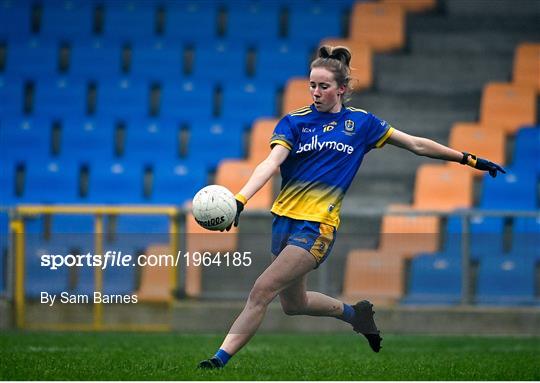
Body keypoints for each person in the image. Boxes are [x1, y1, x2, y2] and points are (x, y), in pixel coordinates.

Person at [198, 45, 505, 369]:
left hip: (317, 226)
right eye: (312, 85)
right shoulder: (294, 122)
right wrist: (240, 199)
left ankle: (218, 361)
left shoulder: (362, 124)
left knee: (262, 290)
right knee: (294, 303)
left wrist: (467, 158)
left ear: (341, 88)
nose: (316, 92)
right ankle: (355, 314)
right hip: (284, 221)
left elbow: (416, 144)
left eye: (324, 86)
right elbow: (270, 163)